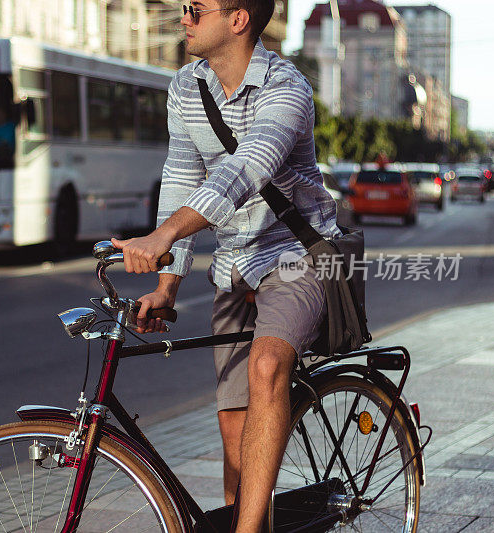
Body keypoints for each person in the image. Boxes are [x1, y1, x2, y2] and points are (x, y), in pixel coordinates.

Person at [110, 1, 340, 531]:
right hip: (235, 262)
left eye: (195, 8)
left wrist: (165, 234)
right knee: (234, 427)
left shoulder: (288, 88)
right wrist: (168, 283)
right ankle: (249, 521)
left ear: (238, 19)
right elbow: (181, 175)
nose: (183, 17)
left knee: (266, 369)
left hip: (296, 255)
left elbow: (247, 169)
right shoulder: (186, 86)